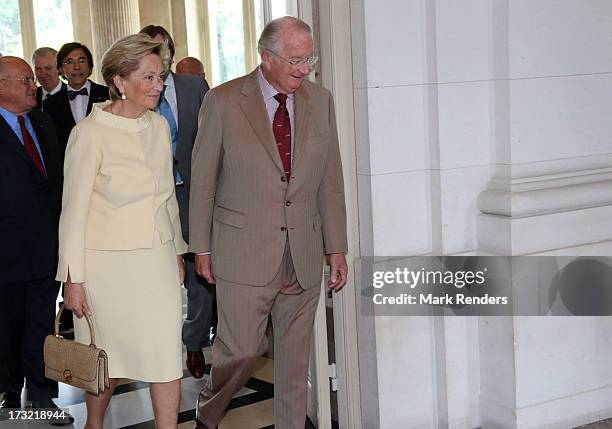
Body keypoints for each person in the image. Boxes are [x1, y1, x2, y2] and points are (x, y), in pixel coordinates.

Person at [189, 16, 349, 429]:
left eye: (308, 59)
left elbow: (330, 180)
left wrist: (337, 248)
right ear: (266, 56)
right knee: (240, 351)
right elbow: (203, 181)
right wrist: (201, 247)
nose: (303, 69)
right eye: (295, 60)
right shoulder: (224, 101)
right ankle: (209, 409)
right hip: (243, 249)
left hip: (304, 249)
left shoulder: (321, 99)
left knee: (294, 364)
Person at [58, 34, 187, 429]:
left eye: (160, 77)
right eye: (148, 78)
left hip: (157, 261)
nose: (158, 85)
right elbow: (72, 214)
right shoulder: (89, 134)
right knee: (106, 361)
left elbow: (168, 198)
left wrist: (178, 251)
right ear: (119, 81)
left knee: (166, 356)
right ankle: (94, 424)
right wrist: (73, 280)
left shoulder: (160, 127)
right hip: (105, 271)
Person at [0, 56, 73, 425]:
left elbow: (58, 183)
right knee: (7, 328)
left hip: (46, 249)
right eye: (26, 79)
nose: (35, 84)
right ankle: (8, 393)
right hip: (6, 253)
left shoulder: (44, 122)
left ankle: (43, 397)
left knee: (42, 329)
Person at [140, 25, 213, 379]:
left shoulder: (193, 87)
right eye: (151, 51)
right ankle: (158, 345)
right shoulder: (135, 90)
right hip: (152, 199)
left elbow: (215, 136)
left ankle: (195, 342)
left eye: (164, 50)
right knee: (160, 276)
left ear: (172, 51)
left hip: (193, 194)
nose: (159, 58)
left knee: (200, 275)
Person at [43, 42, 109, 151]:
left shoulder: (107, 95)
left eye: (82, 60)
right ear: (60, 69)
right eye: (69, 62)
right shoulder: (50, 104)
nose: (77, 67)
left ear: (90, 67)